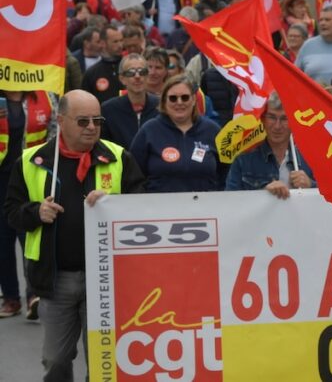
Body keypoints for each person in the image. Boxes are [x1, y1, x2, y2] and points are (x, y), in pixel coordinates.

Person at [5, 90, 145, 380]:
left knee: (103, 362)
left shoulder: (118, 157)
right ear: (61, 120)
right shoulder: (32, 160)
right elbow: (12, 213)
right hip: (56, 279)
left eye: (97, 120)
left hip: (106, 279)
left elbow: (141, 209)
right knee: (56, 360)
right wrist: (35, 212)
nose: (92, 127)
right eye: (83, 121)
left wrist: (113, 204)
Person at [0, 90, 55, 319]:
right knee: (3, 240)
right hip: (1, 178)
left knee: (30, 235)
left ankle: (34, 294)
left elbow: (54, 132)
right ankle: (11, 298)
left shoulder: (44, 96)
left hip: (30, 175)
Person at [129, 76, 223, 192]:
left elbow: (225, 172)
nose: (179, 102)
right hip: (159, 207)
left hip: (204, 206)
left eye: (185, 98)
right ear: (164, 101)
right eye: (173, 98)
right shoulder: (149, 131)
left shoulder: (212, 130)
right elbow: (134, 174)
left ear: (193, 100)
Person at [226, 92, 315, 198]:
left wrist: (311, 185)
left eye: (284, 119)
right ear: (263, 119)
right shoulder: (243, 160)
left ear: (294, 122)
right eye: (272, 117)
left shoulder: (310, 159)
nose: (277, 126)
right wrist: (263, 194)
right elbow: (230, 201)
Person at [100, 54, 159, 149]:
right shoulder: (108, 109)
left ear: (147, 76)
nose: (137, 76)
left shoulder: (161, 106)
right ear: (122, 79)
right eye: (131, 73)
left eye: (142, 72)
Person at [296, 6, 332, 84]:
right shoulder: (308, 45)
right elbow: (295, 76)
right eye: (320, 20)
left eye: (327, 20)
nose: (322, 23)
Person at [81, 26, 124, 103]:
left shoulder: (128, 67)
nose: (120, 45)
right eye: (115, 41)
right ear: (103, 43)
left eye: (121, 40)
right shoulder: (92, 73)